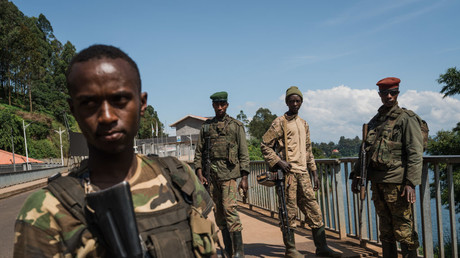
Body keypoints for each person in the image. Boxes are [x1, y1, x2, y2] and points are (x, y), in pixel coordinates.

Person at [14, 44, 215, 257]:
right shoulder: (46, 210)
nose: (107, 116)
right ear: (74, 110)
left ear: (142, 103)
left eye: (119, 99)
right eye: (90, 103)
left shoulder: (178, 176)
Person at [261, 86, 338, 258]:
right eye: (292, 101)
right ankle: (291, 249)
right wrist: (278, 161)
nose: (295, 104)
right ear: (287, 102)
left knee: (314, 209)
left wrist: (315, 172)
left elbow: (308, 150)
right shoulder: (279, 122)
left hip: (303, 174)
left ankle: (322, 247)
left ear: (301, 102)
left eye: (298, 101)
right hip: (288, 176)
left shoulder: (304, 124)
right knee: (288, 212)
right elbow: (264, 145)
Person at [351, 77, 423, 258]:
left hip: (397, 184)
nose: (389, 96)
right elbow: (365, 150)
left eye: (393, 92)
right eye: (385, 93)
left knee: (404, 229)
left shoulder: (406, 118)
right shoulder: (376, 120)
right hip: (377, 182)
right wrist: (356, 175)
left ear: (398, 93)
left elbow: (415, 152)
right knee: (385, 229)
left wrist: (410, 182)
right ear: (380, 95)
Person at [194, 91, 250, 258]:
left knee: (230, 211)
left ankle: (239, 252)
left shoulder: (236, 126)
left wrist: (244, 178)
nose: (219, 107)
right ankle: (229, 250)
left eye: (222, 104)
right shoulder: (206, 127)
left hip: (229, 176)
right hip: (212, 178)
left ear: (227, 105)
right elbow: (198, 153)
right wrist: (199, 173)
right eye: (216, 104)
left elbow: (243, 153)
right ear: (213, 105)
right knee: (219, 215)